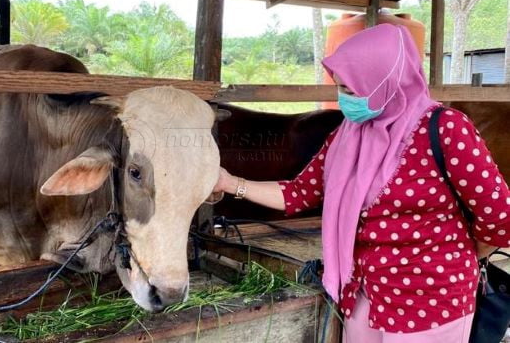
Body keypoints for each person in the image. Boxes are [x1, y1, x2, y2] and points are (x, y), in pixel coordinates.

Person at [213, 24, 509, 342]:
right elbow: (299, 193)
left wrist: (456, 257)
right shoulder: (346, 136)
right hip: (364, 294)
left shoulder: (446, 129)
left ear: (388, 82)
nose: (345, 101)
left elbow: (500, 217)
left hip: (432, 299)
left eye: (353, 91)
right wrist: (231, 183)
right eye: (340, 89)